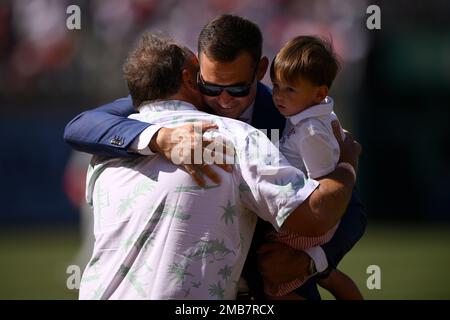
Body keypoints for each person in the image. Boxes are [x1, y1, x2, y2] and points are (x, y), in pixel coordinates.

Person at [64, 14, 366, 300]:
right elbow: (82, 126)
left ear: (260, 71)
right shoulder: (178, 101)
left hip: (271, 286)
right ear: (194, 75)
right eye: (211, 86)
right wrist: (160, 138)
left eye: (237, 89)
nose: (222, 101)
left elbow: (348, 207)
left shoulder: (293, 112)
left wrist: (312, 262)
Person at [264, 35, 363, 300]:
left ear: (319, 93)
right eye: (276, 86)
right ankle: (324, 272)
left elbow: (322, 191)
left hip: (306, 225)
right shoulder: (315, 115)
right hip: (309, 221)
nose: (278, 96)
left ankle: (321, 270)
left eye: (290, 90)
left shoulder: (310, 131)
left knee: (269, 277)